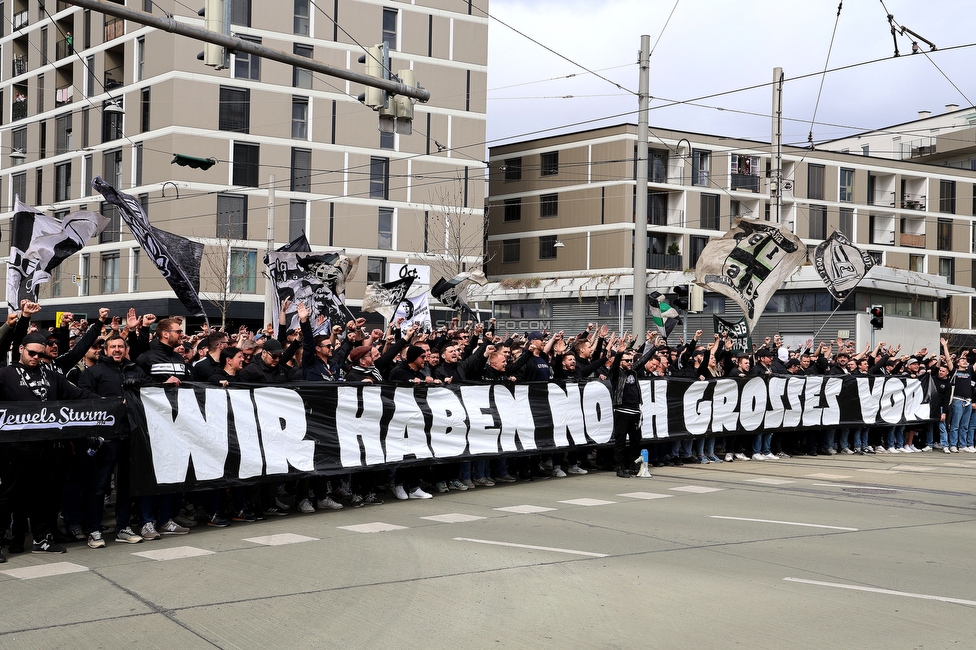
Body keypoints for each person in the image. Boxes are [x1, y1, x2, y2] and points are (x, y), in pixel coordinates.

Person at [0, 332, 99, 554]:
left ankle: (40, 539)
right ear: (21, 350)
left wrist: (105, 403)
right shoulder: (5, 374)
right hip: (13, 450)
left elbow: (76, 394)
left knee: (42, 496)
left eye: (40, 354)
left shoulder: (52, 376)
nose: (35, 357)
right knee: (8, 497)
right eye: (31, 353)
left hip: (45, 447)